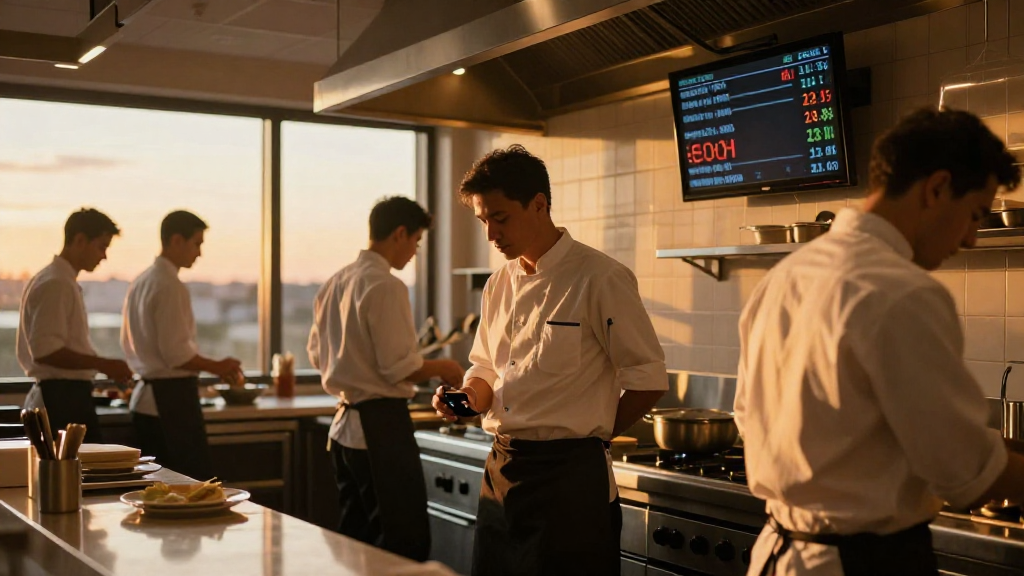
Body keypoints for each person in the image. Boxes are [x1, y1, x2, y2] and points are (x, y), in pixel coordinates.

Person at [735, 108, 1024, 576]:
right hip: (861, 563)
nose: (971, 238)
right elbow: (964, 471)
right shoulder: (903, 290)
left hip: (778, 555)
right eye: (974, 215)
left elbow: (749, 418)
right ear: (936, 188)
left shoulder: (785, 277)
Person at [432, 144, 668, 576]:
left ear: (539, 205)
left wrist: (593, 434)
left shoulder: (600, 277)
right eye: (483, 220)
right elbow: (486, 367)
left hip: (569, 485)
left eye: (499, 218)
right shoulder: (498, 284)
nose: (490, 234)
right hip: (500, 471)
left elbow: (648, 378)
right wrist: (466, 397)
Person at [308, 196, 464, 561]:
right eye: (416, 242)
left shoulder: (335, 282)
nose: (414, 252)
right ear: (399, 233)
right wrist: (447, 367)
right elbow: (400, 367)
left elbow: (316, 354)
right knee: (401, 544)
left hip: (344, 430)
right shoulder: (386, 285)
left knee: (356, 542)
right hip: (379, 429)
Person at [121, 210, 243, 480]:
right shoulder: (169, 285)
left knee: (155, 489)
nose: (198, 253)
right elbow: (176, 354)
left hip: (145, 401)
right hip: (170, 402)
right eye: (196, 243)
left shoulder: (141, 281)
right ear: (176, 240)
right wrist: (219, 366)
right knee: (189, 487)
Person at [18, 208, 133, 443]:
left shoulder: (56, 279)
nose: (104, 256)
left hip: (64, 395)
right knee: (77, 475)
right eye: (101, 246)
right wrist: (103, 364)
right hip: (61, 398)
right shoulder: (56, 283)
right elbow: (46, 351)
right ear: (80, 240)